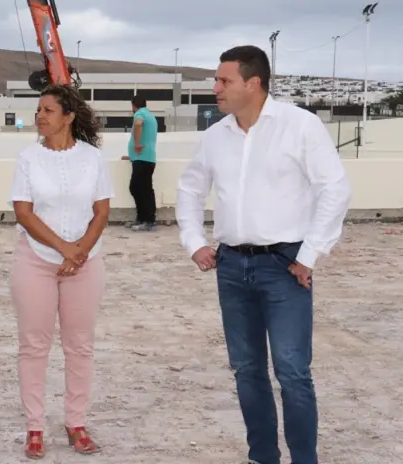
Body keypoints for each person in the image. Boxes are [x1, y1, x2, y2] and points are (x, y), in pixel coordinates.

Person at [175, 45, 351, 464]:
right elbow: (190, 189)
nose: (215, 88)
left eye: (223, 80)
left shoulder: (300, 126)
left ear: (253, 84)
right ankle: (262, 457)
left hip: (285, 266)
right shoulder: (216, 135)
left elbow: (334, 189)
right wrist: (194, 240)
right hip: (231, 265)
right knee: (247, 370)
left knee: (292, 371)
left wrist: (309, 255)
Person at [7, 84, 113, 459]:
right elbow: (24, 213)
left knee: (80, 346)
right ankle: (34, 427)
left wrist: (79, 251)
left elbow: (101, 212)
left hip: (85, 263)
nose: (40, 116)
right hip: (35, 260)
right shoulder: (28, 158)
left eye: (48, 110)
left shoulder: (93, 158)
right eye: (38, 110)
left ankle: (76, 422)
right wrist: (64, 248)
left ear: (68, 117)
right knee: (34, 346)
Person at [121, 95, 158, 231]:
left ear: (133, 105)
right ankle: (142, 219)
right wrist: (131, 155)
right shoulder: (150, 116)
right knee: (143, 189)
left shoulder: (140, 114)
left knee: (138, 188)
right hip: (144, 158)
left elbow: (138, 124)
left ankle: (148, 220)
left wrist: (136, 144)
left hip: (143, 158)